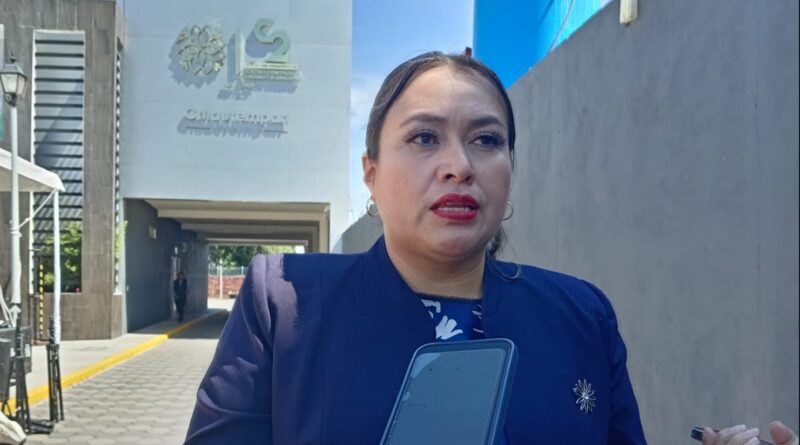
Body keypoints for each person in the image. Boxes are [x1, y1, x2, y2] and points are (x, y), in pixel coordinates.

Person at [184, 52, 796, 444]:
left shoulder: (582, 315)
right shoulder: (283, 302)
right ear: (370, 173)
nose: (459, 165)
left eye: (486, 140)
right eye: (424, 138)